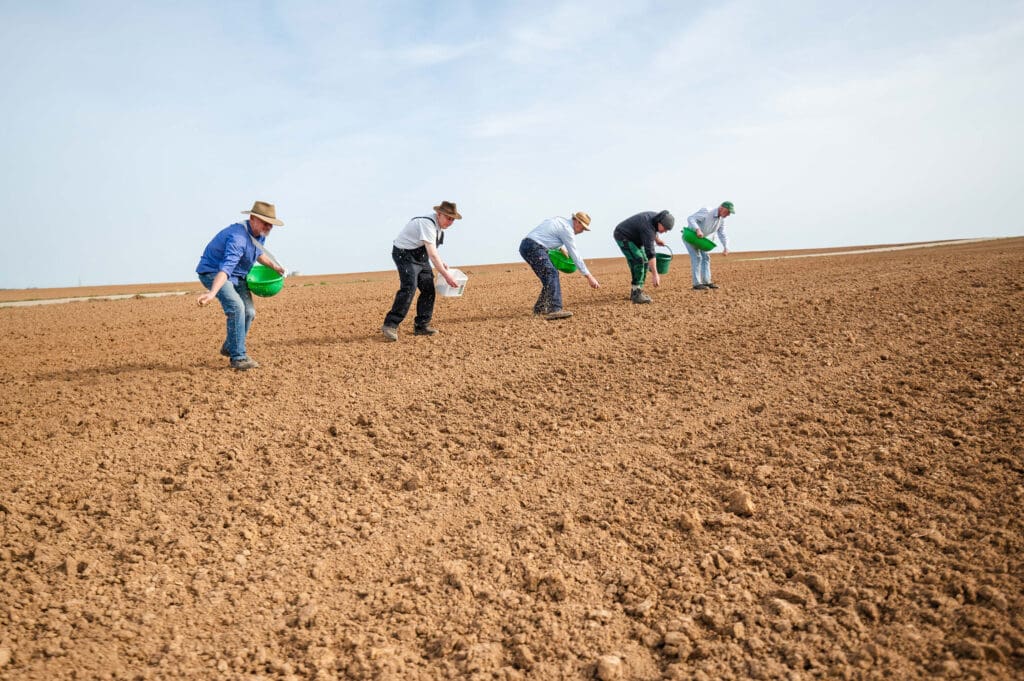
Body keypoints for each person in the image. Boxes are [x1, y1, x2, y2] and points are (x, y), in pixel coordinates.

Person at [196, 200, 286, 370]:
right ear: (253, 218)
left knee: (249, 312)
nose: (268, 227)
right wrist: (212, 293)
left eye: (271, 225)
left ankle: (230, 346)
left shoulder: (258, 234)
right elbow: (226, 268)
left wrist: (274, 266)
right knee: (237, 307)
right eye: (265, 223)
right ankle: (238, 358)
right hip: (214, 273)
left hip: (238, 276)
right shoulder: (237, 238)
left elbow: (257, 253)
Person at [382, 201, 462, 341]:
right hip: (404, 254)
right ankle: (390, 324)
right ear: (439, 214)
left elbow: (432, 250)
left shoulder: (439, 229)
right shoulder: (427, 224)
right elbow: (432, 254)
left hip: (420, 256)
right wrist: (446, 275)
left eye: (453, 219)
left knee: (428, 288)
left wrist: (441, 263)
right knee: (409, 287)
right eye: (448, 218)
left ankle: (421, 326)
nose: (451, 222)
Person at [518, 212, 601, 320]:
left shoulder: (560, 221)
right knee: (551, 274)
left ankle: (539, 309)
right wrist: (589, 276)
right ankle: (555, 309)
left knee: (550, 277)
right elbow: (575, 254)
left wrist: (559, 248)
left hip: (528, 246)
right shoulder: (567, 229)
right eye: (583, 228)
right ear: (577, 222)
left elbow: (546, 235)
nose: (582, 231)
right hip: (534, 247)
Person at [612, 210, 674, 304]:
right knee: (638, 261)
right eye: (665, 229)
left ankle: (637, 291)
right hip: (623, 235)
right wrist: (655, 274)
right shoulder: (648, 228)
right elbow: (650, 252)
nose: (665, 231)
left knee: (645, 262)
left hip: (635, 238)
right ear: (660, 223)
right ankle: (636, 294)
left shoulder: (656, 219)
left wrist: (657, 240)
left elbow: (654, 230)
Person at [684, 201, 734, 290]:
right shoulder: (707, 211)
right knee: (697, 257)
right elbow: (691, 218)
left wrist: (726, 247)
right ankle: (696, 284)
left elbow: (722, 234)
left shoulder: (721, 220)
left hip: (701, 239)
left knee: (706, 257)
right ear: (721, 208)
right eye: (728, 212)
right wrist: (698, 229)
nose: (728, 215)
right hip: (690, 236)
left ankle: (707, 282)